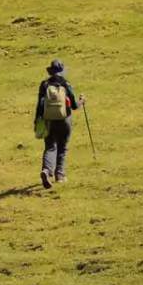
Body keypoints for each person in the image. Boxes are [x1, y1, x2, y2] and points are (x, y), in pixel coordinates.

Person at [34, 59, 81, 188]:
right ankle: (59, 175)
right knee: (62, 147)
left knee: (50, 147)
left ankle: (46, 171)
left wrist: (37, 121)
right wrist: (82, 101)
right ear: (62, 71)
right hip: (64, 121)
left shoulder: (44, 84)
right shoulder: (65, 84)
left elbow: (40, 105)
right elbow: (75, 105)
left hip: (48, 121)